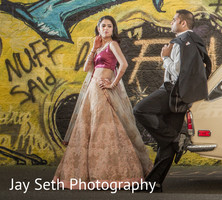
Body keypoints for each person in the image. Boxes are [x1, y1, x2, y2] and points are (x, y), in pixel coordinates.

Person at [54, 16, 152, 187]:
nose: (106, 29)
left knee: (105, 128)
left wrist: (113, 84)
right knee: (89, 128)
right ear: (98, 29)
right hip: (92, 91)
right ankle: (86, 174)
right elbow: (86, 69)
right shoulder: (99, 48)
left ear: (113, 29)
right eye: (103, 26)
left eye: (109, 26)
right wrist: (93, 48)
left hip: (104, 91)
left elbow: (123, 64)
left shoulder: (113, 45)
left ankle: (113, 174)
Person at [133, 10, 212, 192]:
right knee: (166, 145)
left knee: (140, 110)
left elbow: (177, 72)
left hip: (172, 90)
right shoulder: (195, 41)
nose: (171, 22)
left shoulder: (182, 43)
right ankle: (154, 183)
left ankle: (176, 137)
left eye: (174, 19)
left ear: (183, 23)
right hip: (183, 95)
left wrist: (165, 57)